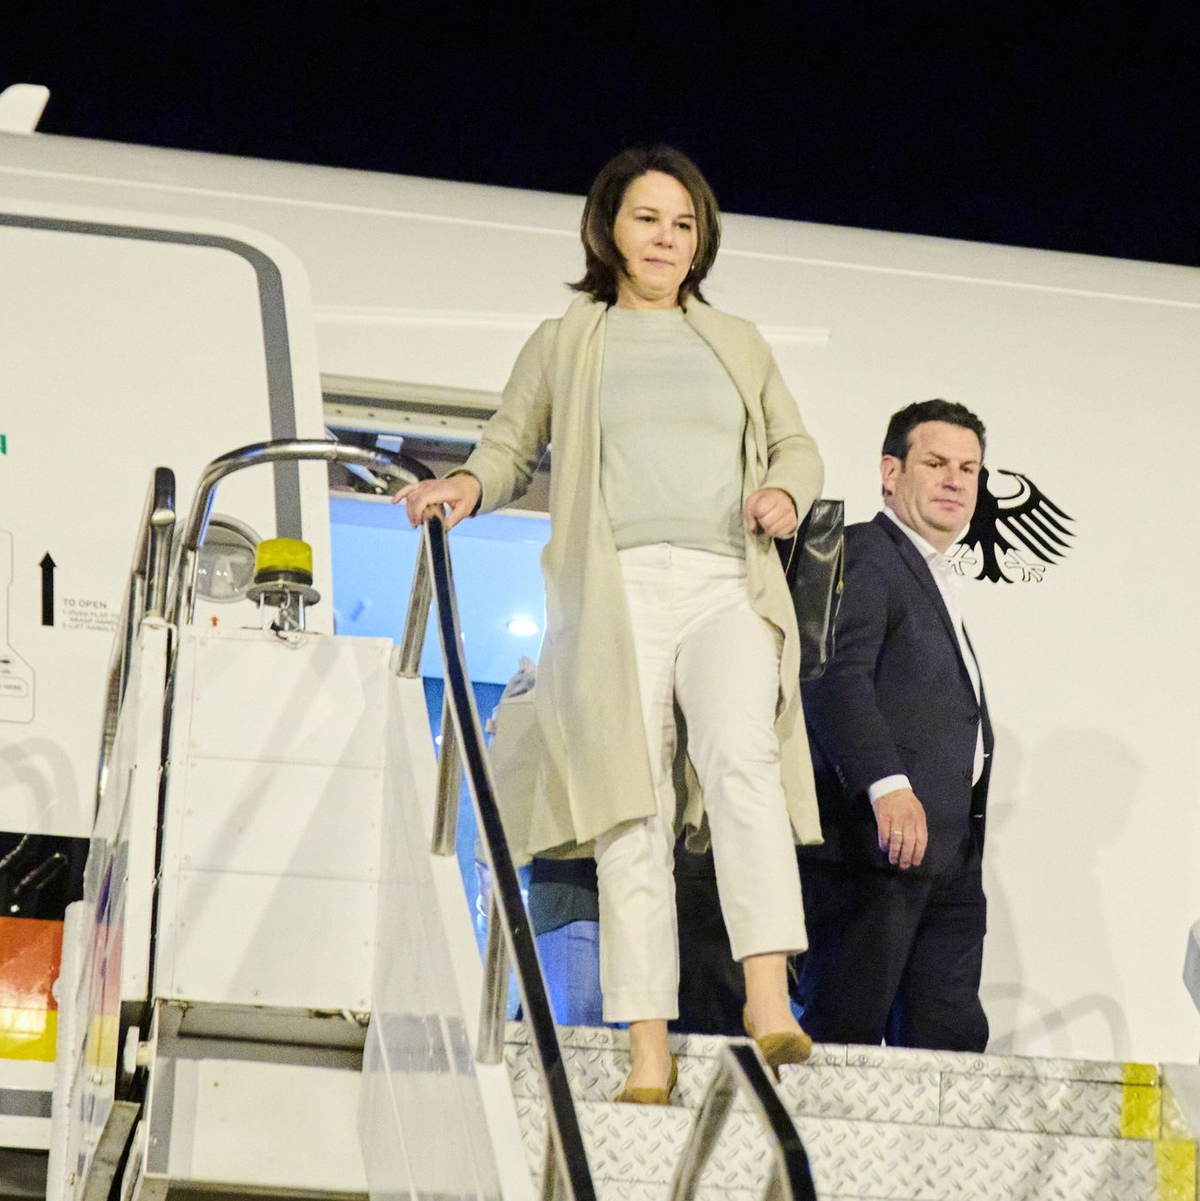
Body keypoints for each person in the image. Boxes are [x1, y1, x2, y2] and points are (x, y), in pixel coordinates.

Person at [395, 144, 825, 1101]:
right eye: (648, 219)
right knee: (633, 814)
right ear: (608, 230)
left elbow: (796, 442)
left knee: (742, 759)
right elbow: (510, 444)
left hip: (725, 581)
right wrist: (464, 486)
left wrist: (785, 491)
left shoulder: (739, 340)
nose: (667, 237)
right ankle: (647, 1048)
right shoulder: (568, 339)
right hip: (616, 588)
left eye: (684, 223)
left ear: (701, 238)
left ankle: (769, 999)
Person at [796, 399, 994, 1051]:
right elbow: (832, 675)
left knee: (950, 1044)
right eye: (935, 462)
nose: (955, 480)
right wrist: (887, 784)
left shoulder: (936, 574)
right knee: (842, 1039)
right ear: (890, 471)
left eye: (969, 467)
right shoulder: (862, 552)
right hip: (872, 852)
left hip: (948, 855)